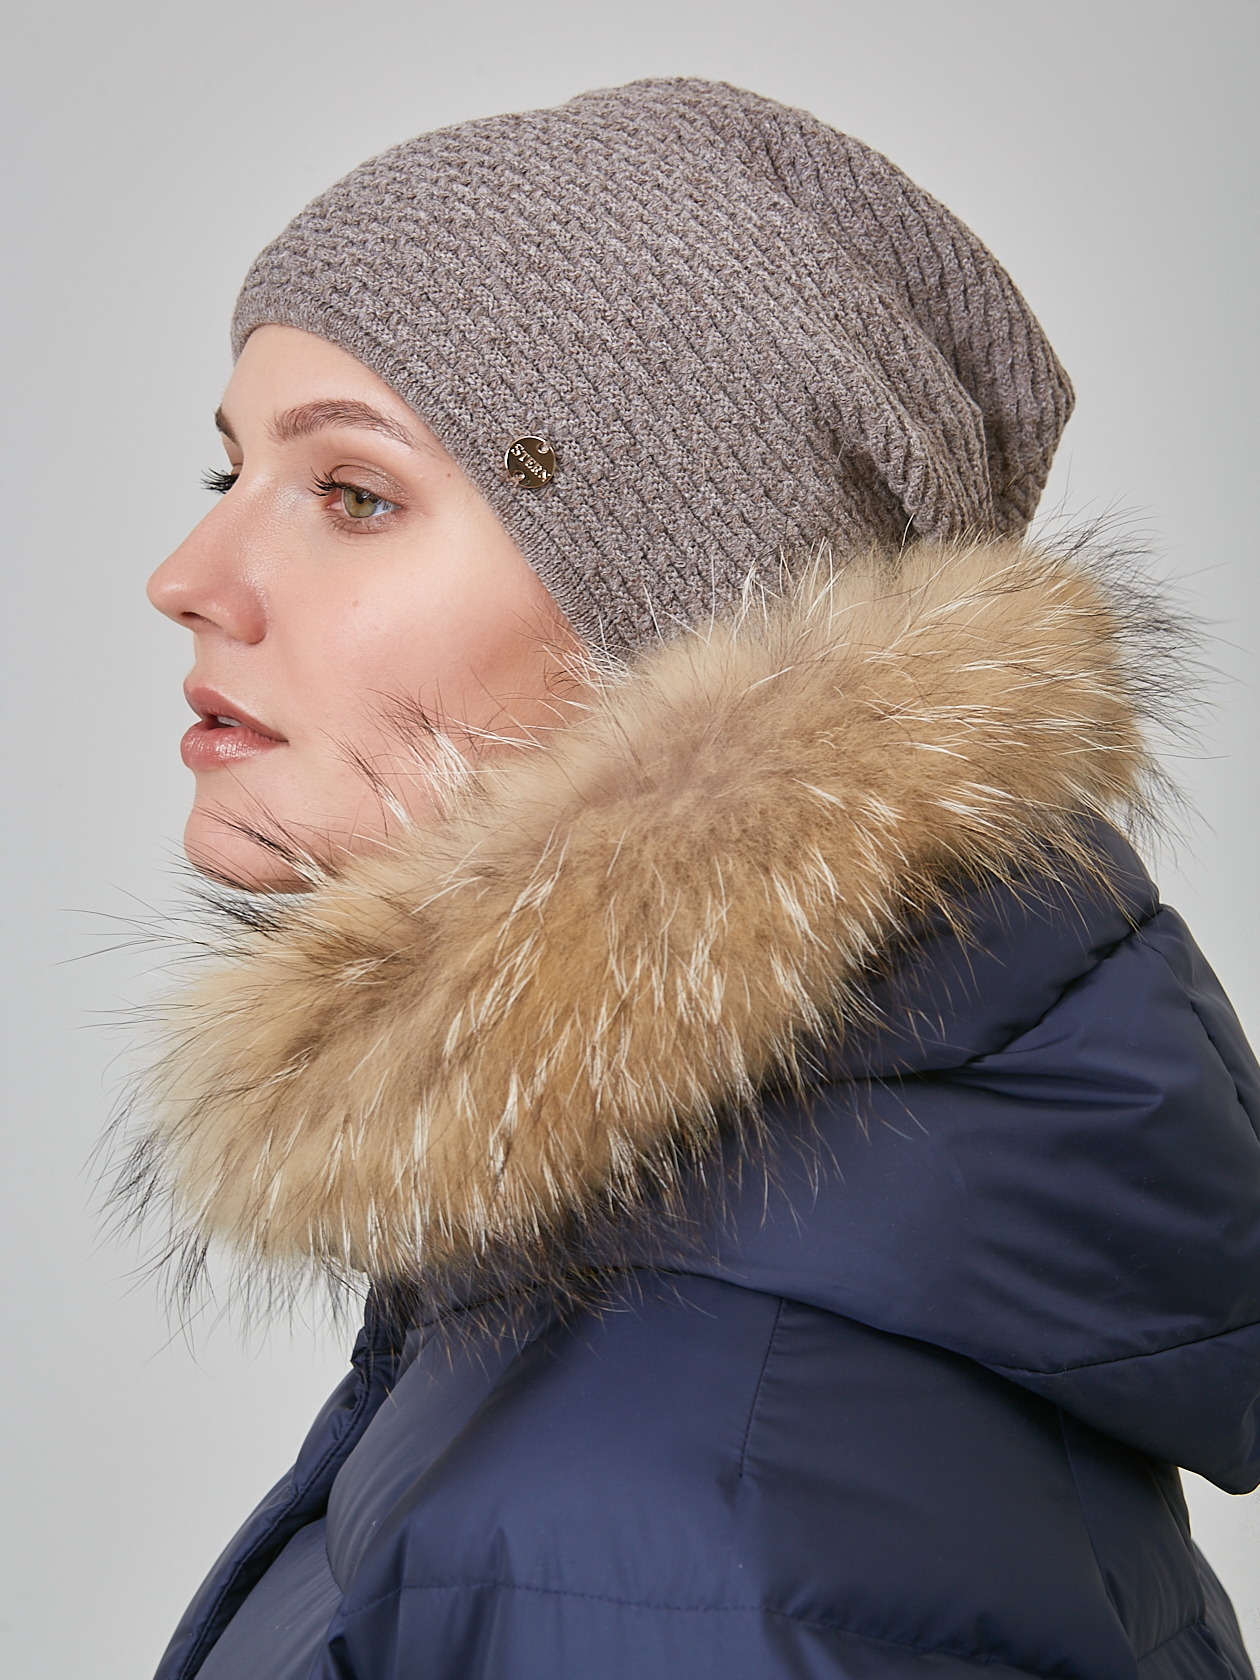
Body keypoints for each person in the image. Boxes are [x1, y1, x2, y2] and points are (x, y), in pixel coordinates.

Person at [125, 78, 1260, 1680]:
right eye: (225, 476)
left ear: (679, 630)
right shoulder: (663, 1337)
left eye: (354, 495)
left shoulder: (683, 1519)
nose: (186, 580)